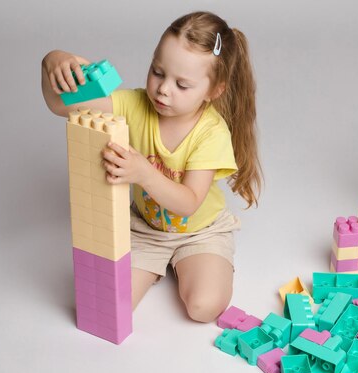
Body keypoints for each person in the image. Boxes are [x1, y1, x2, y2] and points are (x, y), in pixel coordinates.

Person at [41, 11, 262, 323]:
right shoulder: (135, 104)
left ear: (215, 90)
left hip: (199, 231)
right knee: (101, 306)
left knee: (204, 307)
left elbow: (188, 203)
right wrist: (53, 60)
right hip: (145, 228)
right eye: (158, 72)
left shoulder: (211, 132)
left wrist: (143, 172)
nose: (163, 89)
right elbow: (60, 105)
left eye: (182, 84)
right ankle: (155, 265)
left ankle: (184, 262)